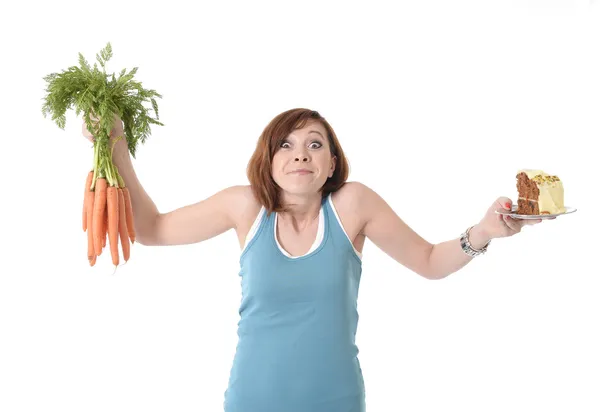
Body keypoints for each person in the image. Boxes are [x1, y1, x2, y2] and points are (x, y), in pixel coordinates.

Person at [83, 108, 544, 412]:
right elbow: (152, 230)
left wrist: (484, 232)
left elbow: (427, 259)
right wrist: (116, 144)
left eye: (314, 144)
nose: (300, 152)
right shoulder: (244, 207)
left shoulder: (353, 205)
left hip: (337, 401)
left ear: (331, 163)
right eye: (285, 144)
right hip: (251, 402)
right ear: (267, 161)